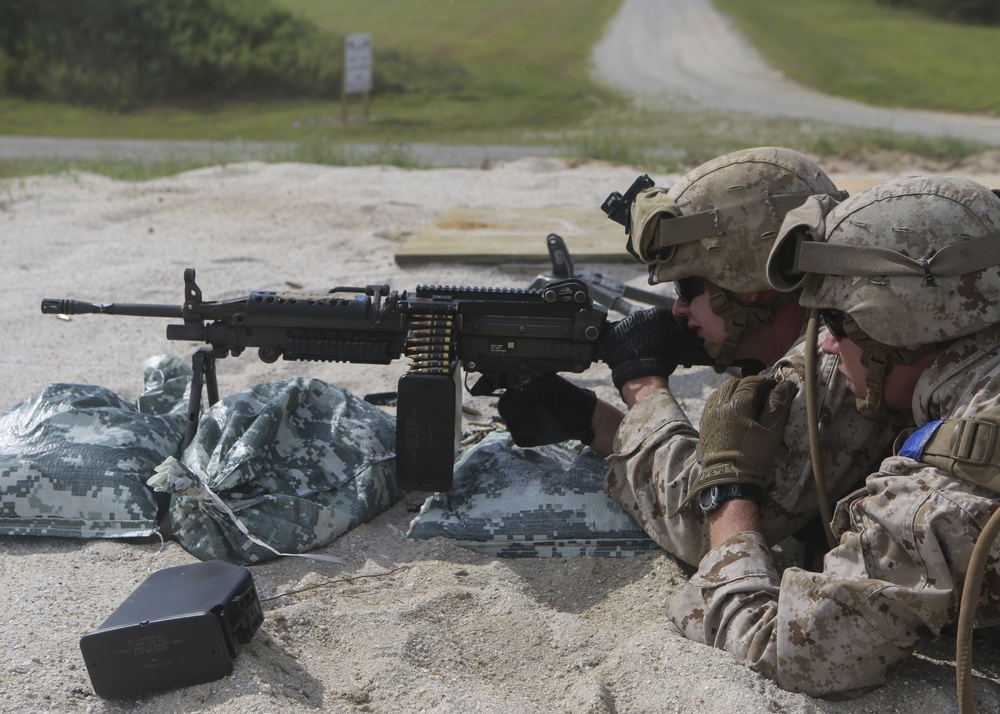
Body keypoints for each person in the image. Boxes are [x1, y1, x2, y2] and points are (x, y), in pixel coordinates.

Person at [669, 173, 1000, 697]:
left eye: (839, 324)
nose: (825, 346)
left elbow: (791, 653)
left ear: (902, 329)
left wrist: (729, 490)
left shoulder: (949, 491)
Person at [500, 146, 909, 566]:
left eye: (688, 289)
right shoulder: (833, 320)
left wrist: (640, 382)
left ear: (748, 285)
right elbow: (730, 469)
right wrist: (593, 421)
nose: (678, 309)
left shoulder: (839, 355)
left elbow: (704, 528)